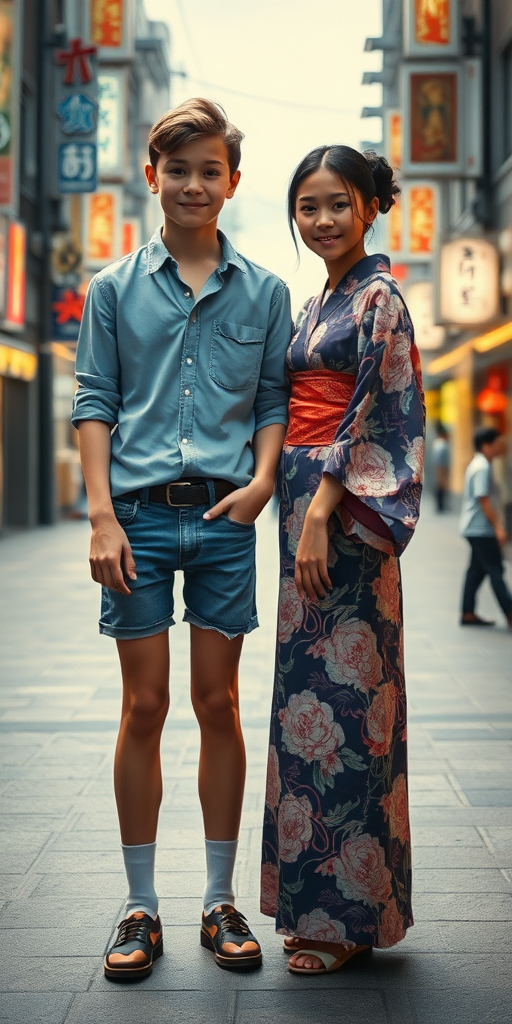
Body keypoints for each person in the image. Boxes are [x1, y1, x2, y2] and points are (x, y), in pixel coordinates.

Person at [71, 98, 291, 979]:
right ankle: (139, 906)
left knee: (219, 705)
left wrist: (264, 484)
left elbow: (273, 401)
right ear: (153, 176)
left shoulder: (267, 291)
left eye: (211, 170)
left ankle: (217, 899)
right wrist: (99, 515)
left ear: (233, 183)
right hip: (138, 521)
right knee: (144, 707)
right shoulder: (112, 288)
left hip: (224, 519)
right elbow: (94, 402)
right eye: (178, 169)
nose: (194, 183)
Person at [260, 145, 425, 975]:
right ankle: (318, 906)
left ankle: (343, 920)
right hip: (301, 512)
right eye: (307, 207)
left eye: (336, 204)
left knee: (348, 711)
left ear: (369, 207)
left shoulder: (378, 297)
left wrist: (324, 509)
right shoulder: (320, 296)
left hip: (346, 521)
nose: (320, 220)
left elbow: (377, 413)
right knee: (304, 708)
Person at [460, 426, 512, 629]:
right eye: (497, 442)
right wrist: (498, 527)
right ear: (487, 445)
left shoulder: (479, 464)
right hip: (481, 529)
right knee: (495, 569)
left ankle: (468, 612)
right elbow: (484, 499)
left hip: (475, 527)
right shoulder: (482, 467)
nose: (501, 446)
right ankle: (509, 611)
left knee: (476, 571)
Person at [432, 421, 450, 512]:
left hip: (440, 468)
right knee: (440, 486)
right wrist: (441, 474)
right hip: (441, 468)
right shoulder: (441, 445)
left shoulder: (438, 443)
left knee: (440, 486)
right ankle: (440, 506)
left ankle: (441, 506)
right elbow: (439, 461)